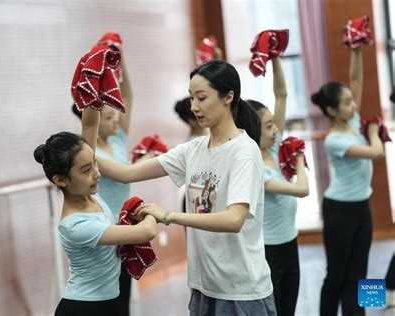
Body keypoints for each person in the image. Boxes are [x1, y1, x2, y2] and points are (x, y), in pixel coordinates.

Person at [96, 60, 276, 315]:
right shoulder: (193, 150)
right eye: (192, 98)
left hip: (241, 291)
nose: (194, 107)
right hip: (205, 287)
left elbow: (234, 219)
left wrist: (168, 216)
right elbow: (126, 173)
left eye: (201, 98)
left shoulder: (244, 151)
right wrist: (77, 153)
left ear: (228, 97)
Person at [34, 104, 157, 316]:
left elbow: (91, 123)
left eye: (95, 164)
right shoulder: (75, 225)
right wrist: (151, 212)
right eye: (86, 170)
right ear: (60, 180)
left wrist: (95, 90)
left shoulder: (92, 195)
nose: (97, 174)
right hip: (84, 308)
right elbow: (147, 232)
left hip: (107, 303)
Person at [311, 47, 385, 316]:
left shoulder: (352, 120)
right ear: (331, 110)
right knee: (337, 274)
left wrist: (355, 50)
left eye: (352, 101)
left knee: (361, 272)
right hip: (339, 210)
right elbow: (377, 152)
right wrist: (374, 130)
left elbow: (356, 80)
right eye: (347, 103)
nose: (354, 106)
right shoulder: (334, 139)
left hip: (361, 207)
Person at [248, 57, 309, 316]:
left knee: (289, 310)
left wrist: (274, 58)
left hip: (290, 242)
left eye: (275, 124)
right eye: (269, 126)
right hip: (269, 250)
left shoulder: (273, 147)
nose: (276, 131)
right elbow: (302, 190)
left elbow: (281, 95)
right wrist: (298, 156)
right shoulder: (255, 167)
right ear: (253, 130)